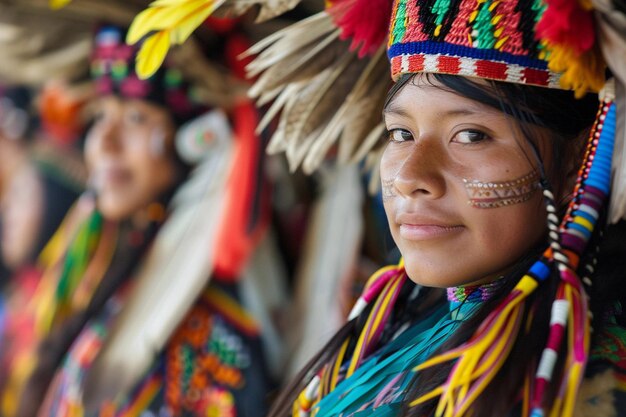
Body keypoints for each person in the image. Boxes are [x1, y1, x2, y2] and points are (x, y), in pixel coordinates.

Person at [217, 0, 625, 416]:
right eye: (401, 132)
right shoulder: (404, 329)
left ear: (579, 161)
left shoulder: (583, 380)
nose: (410, 177)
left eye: (471, 135)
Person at [16, 23, 283, 417]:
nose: (104, 141)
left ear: (198, 138)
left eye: (137, 117)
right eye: (102, 113)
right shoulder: (115, 270)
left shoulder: (210, 331)